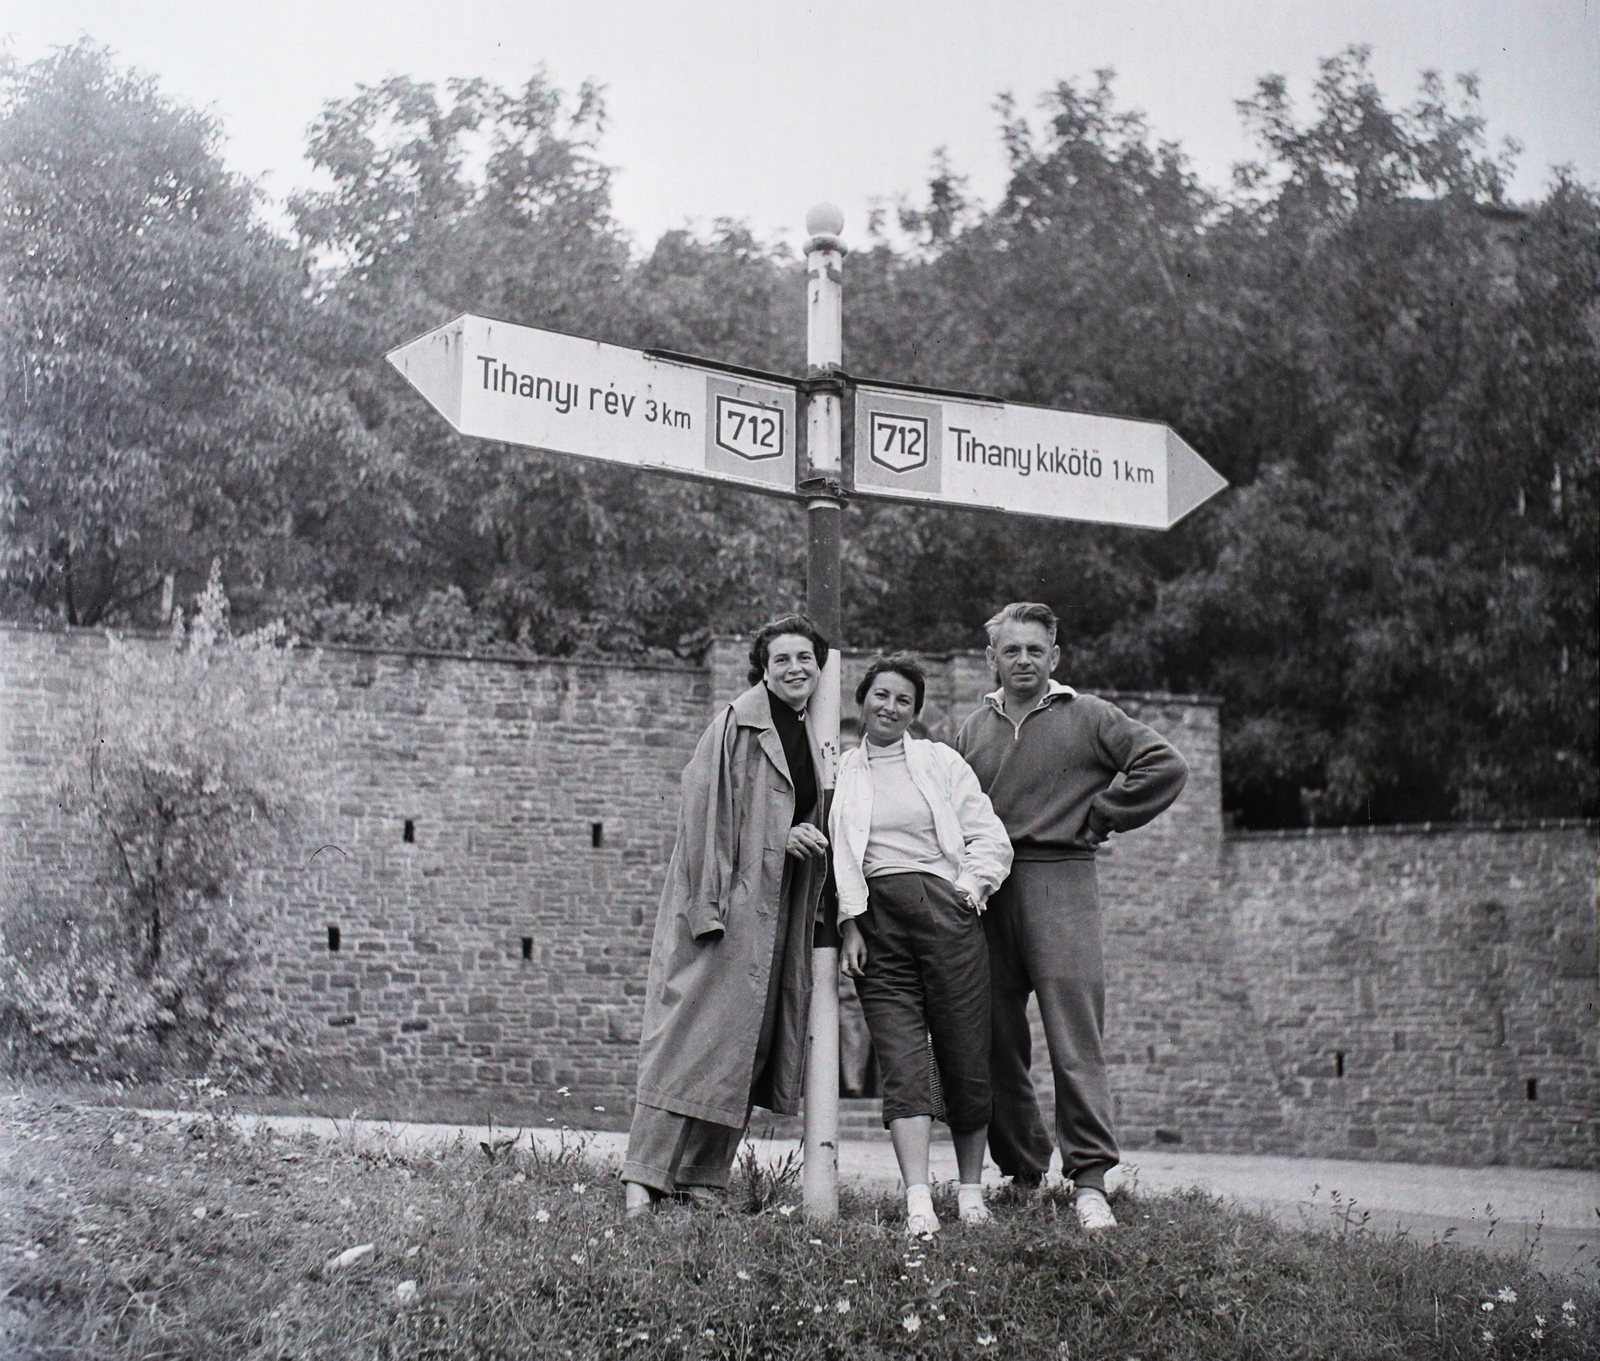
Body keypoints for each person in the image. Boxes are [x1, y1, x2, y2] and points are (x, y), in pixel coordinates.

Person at [955, 602, 1188, 1232]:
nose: (1023, 661)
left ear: (1054, 657)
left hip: (1062, 881)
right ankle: (1023, 1170)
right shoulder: (972, 729)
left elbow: (1165, 765)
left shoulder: (1090, 716)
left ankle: (1089, 1181)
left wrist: (1104, 813)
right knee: (993, 1037)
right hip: (991, 890)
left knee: (1073, 1037)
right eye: (1011, 650)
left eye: (1035, 650)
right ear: (992, 658)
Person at [622, 616, 832, 1216]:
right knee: (686, 1039)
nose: (795, 668)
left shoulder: (812, 732)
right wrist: (713, 907)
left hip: (777, 911)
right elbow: (704, 818)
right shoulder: (736, 725)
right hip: (725, 907)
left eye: (805, 658)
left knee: (744, 1046)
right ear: (763, 668)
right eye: (782, 659)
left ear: (819, 667)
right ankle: (642, 1178)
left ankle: (700, 1180)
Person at [832, 653, 1013, 1235]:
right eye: (881, 695)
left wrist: (968, 892)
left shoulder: (939, 761)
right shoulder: (841, 772)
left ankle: (970, 1193)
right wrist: (849, 924)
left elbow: (990, 837)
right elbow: (839, 860)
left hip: (945, 915)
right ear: (862, 700)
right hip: (876, 925)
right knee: (903, 1060)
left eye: (903, 700)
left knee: (964, 1051)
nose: (890, 707)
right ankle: (918, 1200)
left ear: (915, 712)